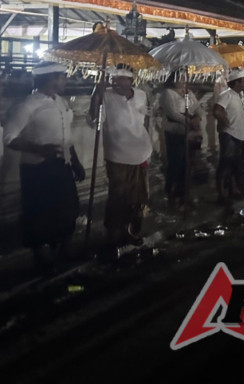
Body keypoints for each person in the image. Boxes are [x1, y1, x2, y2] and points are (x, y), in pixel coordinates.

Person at [3, 62, 85, 271]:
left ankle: (65, 248)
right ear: (51, 78)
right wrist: (38, 149)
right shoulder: (28, 105)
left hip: (62, 164)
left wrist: (75, 161)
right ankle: (40, 255)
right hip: (38, 168)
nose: (66, 80)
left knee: (68, 208)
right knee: (39, 212)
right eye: (63, 76)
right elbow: (9, 137)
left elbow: (67, 136)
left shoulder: (61, 102)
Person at [89, 65, 152, 248]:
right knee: (118, 196)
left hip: (140, 152)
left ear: (130, 81)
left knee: (138, 196)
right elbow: (94, 122)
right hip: (118, 155)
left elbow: (146, 119)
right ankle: (114, 233)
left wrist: (149, 143)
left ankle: (131, 231)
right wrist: (96, 96)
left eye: (120, 79)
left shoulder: (141, 95)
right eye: (113, 79)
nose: (115, 82)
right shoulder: (106, 96)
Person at [159, 71, 202, 209]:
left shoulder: (189, 92)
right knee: (176, 163)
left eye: (185, 78)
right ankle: (171, 194)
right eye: (180, 78)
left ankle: (184, 195)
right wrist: (187, 120)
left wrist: (197, 117)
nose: (183, 81)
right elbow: (172, 112)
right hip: (175, 132)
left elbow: (198, 107)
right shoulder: (168, 93)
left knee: (187, 164)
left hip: (189, 131)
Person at [213, 68, 244, 204]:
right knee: (225, 164)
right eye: (242, 81)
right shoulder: (226, 94)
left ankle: (232, 190)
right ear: (236, 82)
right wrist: (225, 122)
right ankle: (221, 193)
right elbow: (217, 110)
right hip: (229, 135)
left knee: (236, 165)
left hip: (239, 135)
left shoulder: (238, 95)